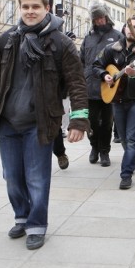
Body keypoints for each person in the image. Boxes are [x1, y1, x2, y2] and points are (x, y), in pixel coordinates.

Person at [0, 0, 90, 250]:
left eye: (35, 6)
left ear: (47, 8)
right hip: (8, 122)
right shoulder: (7, 40)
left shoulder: (61, 43)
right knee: (12, 176)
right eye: (25, 7)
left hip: (40, 123)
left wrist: (79, 121)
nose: (30, 11)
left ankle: (37, 224)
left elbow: (77, 85)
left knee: (36, 178)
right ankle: (22, 216)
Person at [93, 17, 135, 190]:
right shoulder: (112, 48)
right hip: (117, 100)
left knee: (132, 140)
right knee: (123, 138)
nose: (131, 30)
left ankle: (126, 174)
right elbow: (96, 65)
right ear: (124, 29)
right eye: (128, 26)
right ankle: (132, 160)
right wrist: (104, 75)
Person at [80, 3, 121, 167]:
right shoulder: (88, 38)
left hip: (109, 88)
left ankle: (105, 151)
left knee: (107, 122)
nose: (99, 21)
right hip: (90, 87)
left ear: (107, 17)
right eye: (96, 18)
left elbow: (120, 60)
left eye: (101, 17)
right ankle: (94, 147)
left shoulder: (117, 36)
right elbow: (81, 60)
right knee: (91, 121)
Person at [52, 31, 78, 170]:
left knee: (55, 128)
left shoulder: (66, 52)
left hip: (57, 95)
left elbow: (74, 79)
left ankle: (60, 153)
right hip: (33, 100)